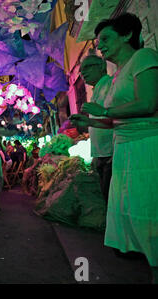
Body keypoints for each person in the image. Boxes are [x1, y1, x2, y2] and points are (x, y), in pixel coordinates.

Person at [70, 13, 158, 283]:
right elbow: (113, 121)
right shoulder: (118, 73)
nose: (100, 45)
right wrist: (91, 121)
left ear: (127, 35)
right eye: (98, 42)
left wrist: (105, 110)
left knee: (149, 210)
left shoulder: (144, 58)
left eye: (105, 39)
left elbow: (148, 104)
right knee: (133, 211)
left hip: (146, 146)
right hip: (124, 148)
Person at [79, 54, 114, 203]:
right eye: (80, 70)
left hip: (111, 152)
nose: (82, 73)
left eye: (87, 67)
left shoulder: (110, 85)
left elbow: (115, 116)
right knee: (107, 197)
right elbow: (98, 121)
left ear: (100, 66)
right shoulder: (96, 90)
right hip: (101, 153)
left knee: (112, 198)